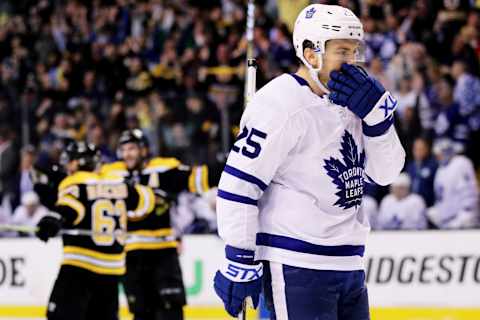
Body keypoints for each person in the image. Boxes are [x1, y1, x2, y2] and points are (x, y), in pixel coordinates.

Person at [213, 4, 405, 319]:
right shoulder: (280, 103)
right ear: (311, 53)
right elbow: (239, 185)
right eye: (342, 51)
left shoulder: (356, 103)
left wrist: (378, 120)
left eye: (355, 51)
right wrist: (239, 256)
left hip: (349, 263)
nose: (352, 62)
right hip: (296, 264)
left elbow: (386, 173)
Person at [101, 129, 220, 320]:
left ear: (144, 149)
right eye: (123, 150)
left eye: (131, 148)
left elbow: (199, 178)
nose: (127, 154)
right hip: (130, 253)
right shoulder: (110, 173)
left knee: (171, 310)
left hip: (163, 251)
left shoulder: (164, 168)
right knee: (141, 313)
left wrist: (228, 167)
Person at [34, 141, 154, 320]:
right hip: (112, 273)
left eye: (70, 161)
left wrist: (52, 220)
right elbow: (147, 202)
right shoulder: (119, 184)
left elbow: (70, 207)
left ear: (77, 163)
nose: (67, 166)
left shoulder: (75, 182)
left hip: (80, 268)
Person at [427, 138, 479, 229]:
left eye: (440, 154)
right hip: (447, 223)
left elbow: (469, 193)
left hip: (463, 223)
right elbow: (442, 197)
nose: (438, 157)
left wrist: (466, 214)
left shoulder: (461, 163)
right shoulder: (441, 169)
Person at [406, 137, 438, 207]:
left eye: (421, 149)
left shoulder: (433, 165)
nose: (418, 152)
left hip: (428, 204)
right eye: (416, 149)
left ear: (427, 149)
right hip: (411, 204)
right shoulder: (410, 166)